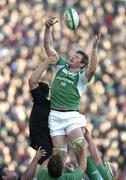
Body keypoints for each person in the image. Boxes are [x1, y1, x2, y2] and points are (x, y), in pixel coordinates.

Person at [44, 17, 101, 156]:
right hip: (55, 115)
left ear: (82, 64)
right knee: (59, 154)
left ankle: (81, 173)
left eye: (76, 57)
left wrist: (94, 49)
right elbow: (48, 47)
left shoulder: (81, 76)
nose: (73, 57)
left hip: (71, 115)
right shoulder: (61, 65)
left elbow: (92, 69)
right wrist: (47, 29)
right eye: (73, 55)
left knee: (80, 147)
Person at [28, 55, 57, 165]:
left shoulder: (42, 104)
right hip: (45, 148)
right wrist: (47, 62)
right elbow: (32, 81)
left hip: (46, 147)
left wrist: (47, 62)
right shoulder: (41, 102)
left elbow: (32, 81)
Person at [22, 140, 87, 180]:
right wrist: (84, 148)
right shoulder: (70, 177)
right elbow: (83, 167)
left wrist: (53, 155)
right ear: (62, 172)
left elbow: (43, 166)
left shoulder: (42, 175)